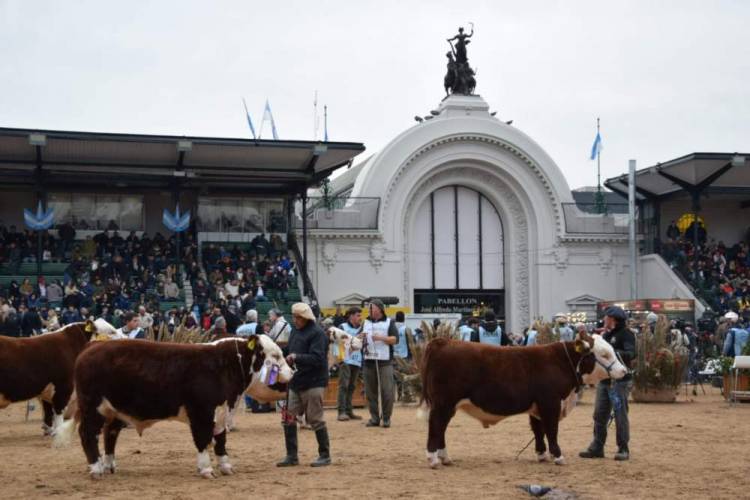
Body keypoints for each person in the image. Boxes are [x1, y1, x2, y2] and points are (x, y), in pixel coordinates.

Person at [277, 302, 330, 468]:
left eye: (298, 317)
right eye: (294, 316)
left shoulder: (318, 334)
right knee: (288, 418)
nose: (295, 320)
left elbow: (318, 359)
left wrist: (296, 357)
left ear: (305, 317)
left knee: (315, 419)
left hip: (314, 382)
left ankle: (324, 455)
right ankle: (291, 456)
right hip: (296, 381)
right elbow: (289, 350)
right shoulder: (295, 331)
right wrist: (279, 353)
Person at [580, 305, 636, 461]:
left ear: (614, 320)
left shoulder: (626, 335)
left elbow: (631, 353)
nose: (604, 319)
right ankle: (597, 446)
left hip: (620, 382)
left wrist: (612, 354)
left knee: (620, 414)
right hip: (605, 380)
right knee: (599, 414)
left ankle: (623, 448)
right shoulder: (605, 335)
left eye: (606, 317)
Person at [361, 299, 398, 428]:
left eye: (372, 307)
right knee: (370, 392)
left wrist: (381, 338)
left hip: (385, 362)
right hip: (368, 361)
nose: (369, 310)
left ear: (380, 309)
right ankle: (374, 418)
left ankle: (386, 418)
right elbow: (360, 336)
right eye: (369, 308)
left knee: (387, 391)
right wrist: (359, 338)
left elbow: (394, 339)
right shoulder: (365, 322)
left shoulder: (389, 322)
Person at [336, 306, 363, 421]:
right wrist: (356, 338)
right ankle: (341, 411)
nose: (360, 318)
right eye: (358, 315)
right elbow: (339, 342)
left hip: (357, 360)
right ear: (351, 316)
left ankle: (349, 410)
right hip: (345, 360)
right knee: (344, 386)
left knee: (351, 386)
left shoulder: (362, 328)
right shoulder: (342, 327)